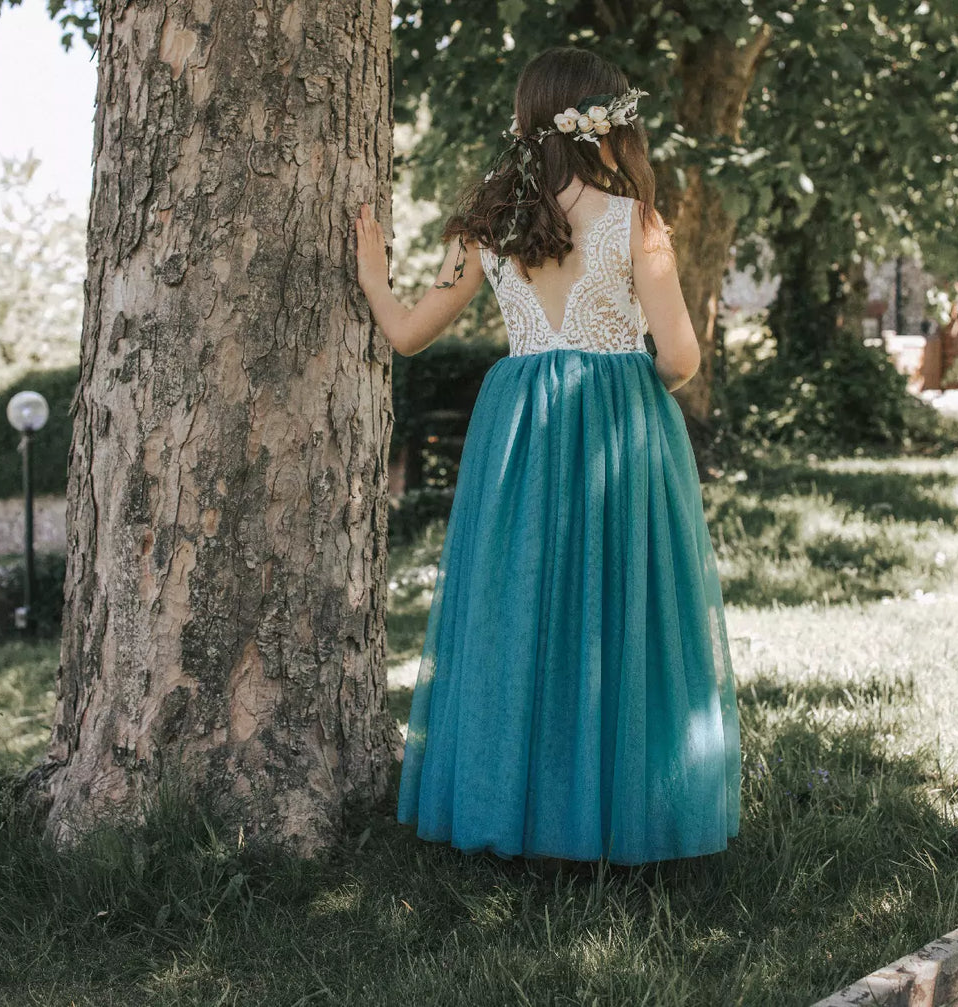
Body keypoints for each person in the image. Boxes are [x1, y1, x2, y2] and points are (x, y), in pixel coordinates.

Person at [354, 46, 741, 871]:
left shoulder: (486, 226)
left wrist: (371, 274)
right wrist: (629, 377)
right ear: (608, 124)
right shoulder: (637, 221)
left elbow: (407, 334)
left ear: (530, 123)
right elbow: (680, 357)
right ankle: (614, 806)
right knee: (618, 608)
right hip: (616, 428)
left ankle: (515, 807)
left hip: (520, 433)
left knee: (520, 608)